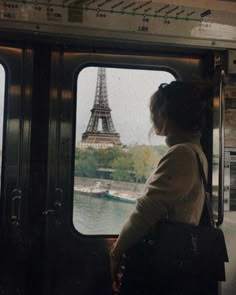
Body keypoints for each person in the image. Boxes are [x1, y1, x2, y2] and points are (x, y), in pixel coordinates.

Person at [110, 81, 212, 294]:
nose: (151, 117)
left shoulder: (181, 153)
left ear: (165, 115)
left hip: (160, 263)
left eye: (153, 111)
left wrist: (116, 251)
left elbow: (145, 212)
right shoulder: (194, 151)